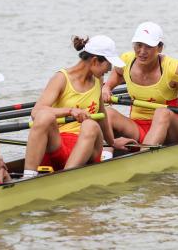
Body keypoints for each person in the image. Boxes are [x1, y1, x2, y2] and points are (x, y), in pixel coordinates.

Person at [23, 35, 124, 178]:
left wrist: (113, 143)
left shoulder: (98, 79)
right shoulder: (61, 78)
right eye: (108, 64)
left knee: (90, 124)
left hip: (88, 149)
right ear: (95, 61)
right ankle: (28, 177)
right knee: (43, 116)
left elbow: (102, 116)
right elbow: (36, 111)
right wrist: (70, 111)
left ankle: (66, 179)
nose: (109, 69)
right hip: (58, 145)